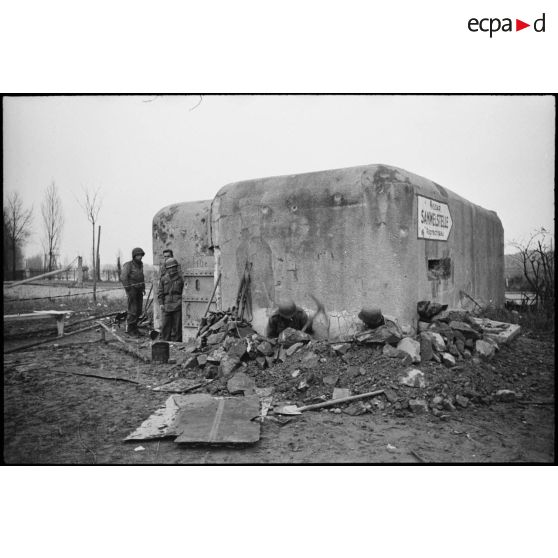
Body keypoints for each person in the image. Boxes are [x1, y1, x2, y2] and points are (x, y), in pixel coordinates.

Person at [120, 247, 146, 336]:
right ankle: (130, 330)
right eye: (138, 255)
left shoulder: (141, 265)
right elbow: (123, 277)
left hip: (139, 289)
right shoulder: (128, 265)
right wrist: (128, 289)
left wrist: (143, 288)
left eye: (141, 255)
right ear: (134, 256)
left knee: (138, 310)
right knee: (133, 310)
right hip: (132, 289)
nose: (140, 257)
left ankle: (135, 329)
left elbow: (141, 277)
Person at [157, 257, 184, 341]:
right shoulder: (163, 279)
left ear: (176, 267)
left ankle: (177, 342)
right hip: (167, 304)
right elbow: (160, 292)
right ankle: (165, 341)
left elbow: (185, 290)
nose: (172, 269)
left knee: (177, 325)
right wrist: (161, 303)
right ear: (167, 269)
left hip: (177, 303)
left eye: (173, 267)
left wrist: (181, 302)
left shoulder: (181, 278)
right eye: (170, 268)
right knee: (165, 325)